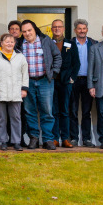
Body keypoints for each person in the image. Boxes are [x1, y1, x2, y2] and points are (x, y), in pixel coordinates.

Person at [20, 20, 61, 150]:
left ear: (35, 29)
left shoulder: (45, 40)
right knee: (29, 111)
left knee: (47, 111)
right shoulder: (20, 44)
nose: (27, 33)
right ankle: (34, 138)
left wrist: (54, 73)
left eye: (29, 30)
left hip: (45, 81)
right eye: (24, 31)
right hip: (27, 82)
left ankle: (48, 139)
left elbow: (57, 57)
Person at [0, 32, 29, 152]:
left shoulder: (20, 56)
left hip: (16, 91)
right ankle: (3, 141)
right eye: (7, 41)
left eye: (12, 41)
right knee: (1, 118)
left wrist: (24, 89)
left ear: (15, 43)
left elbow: (25, 74)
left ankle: (16, 142)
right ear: (1, 43)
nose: (10, 43)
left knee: (16, 117)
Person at [62, 19, 93, 146]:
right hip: (73, 81)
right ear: (75, 30)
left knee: (86, 111)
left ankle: (87, 139)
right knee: (72, 111)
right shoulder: (68, 44)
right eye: (79, 28)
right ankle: (73, 137)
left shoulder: (93, 44)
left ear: (87, 29)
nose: (81, 31)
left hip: (88, 81)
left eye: (84, 28)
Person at [49, 19, 72, 148]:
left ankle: (65, 139)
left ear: (63, 28)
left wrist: (72, 79)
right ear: (52, 29)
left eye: (59, 27)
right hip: (52, 81)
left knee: (65, 111)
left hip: (66, 82)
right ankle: (54, 138)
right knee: (53, 111)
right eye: (55, 27)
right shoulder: (47, 43)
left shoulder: (70, 43)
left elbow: (76, 63)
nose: (57, 29)